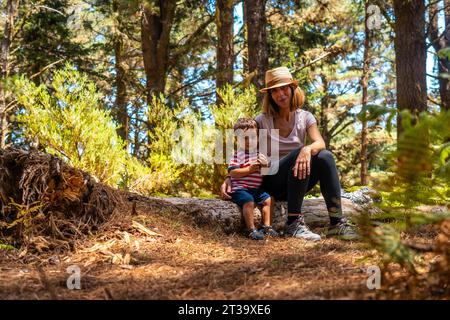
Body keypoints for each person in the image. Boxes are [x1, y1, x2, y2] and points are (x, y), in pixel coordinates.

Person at [221, 67, 358, 241]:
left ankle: (337, 224)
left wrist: (307, 149)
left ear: (293, 88)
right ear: (270, 95)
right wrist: (230, 176)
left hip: (297, 184)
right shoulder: (262, 120)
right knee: (298, 153)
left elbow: (320, 143)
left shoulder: (305, 117)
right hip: (271, 182)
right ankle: (293, 223)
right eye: (274, 91)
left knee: (325, 156)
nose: (280, 94)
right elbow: (243, 148)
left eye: (284, 88)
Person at [228, 118, 279, 240]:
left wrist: (265, 166)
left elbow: (265, 174)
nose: (249, 141)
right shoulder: (237, 155)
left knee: (268, 199)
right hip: (240, 189)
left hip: (256, 189)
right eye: (244, 138)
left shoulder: (259, 154)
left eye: (252, 137)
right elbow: (233, 173)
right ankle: (251, 229)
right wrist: (249, 170)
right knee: (249, 201)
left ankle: (267, 226)